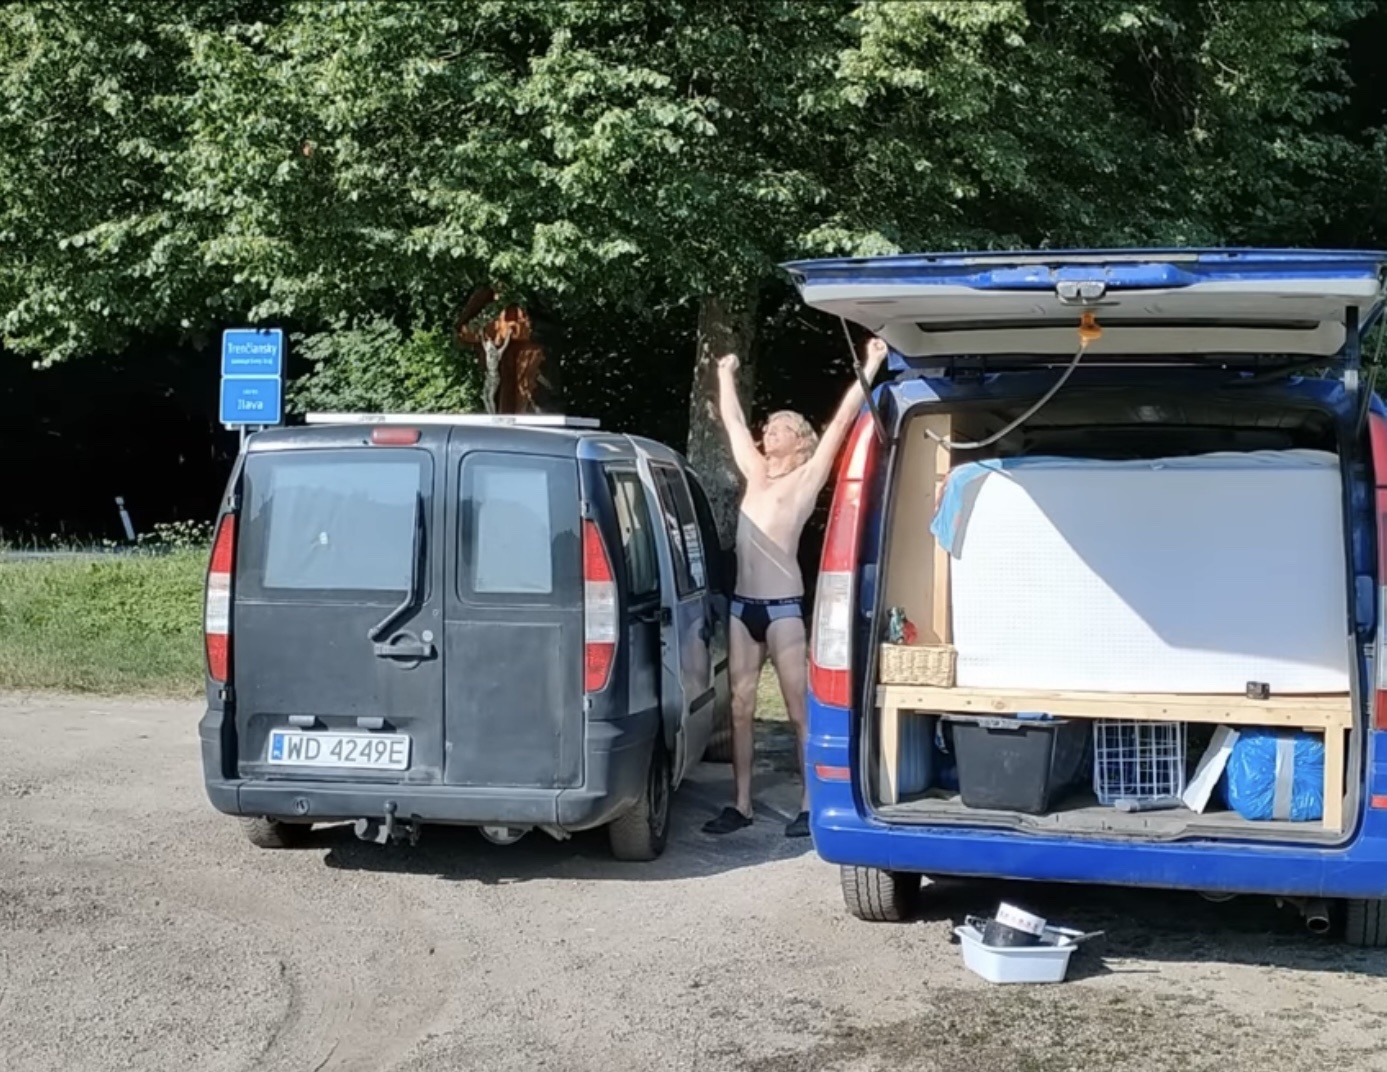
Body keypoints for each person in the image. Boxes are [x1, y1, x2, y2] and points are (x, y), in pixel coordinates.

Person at [702, 336, 889, 838]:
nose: (769, 431)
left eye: (779, 426)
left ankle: (809, 802)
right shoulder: (755, 474)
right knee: (740, 707)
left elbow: (842, 421)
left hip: (783, 608)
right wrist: (725, 374)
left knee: (796, 710)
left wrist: (871, 363)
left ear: (799, 439)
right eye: (769, 426)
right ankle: (741, 804)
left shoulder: (807, 478)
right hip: (743, 607)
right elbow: (733, 423)